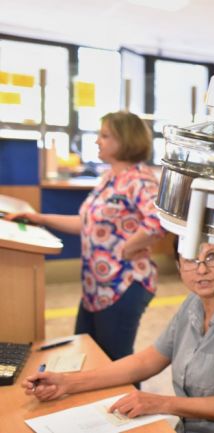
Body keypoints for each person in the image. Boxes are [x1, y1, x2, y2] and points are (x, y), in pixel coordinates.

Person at [22, 241, 214, 433]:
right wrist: (67, 383)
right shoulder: (192, 305)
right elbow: (146, 361)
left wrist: (161, 403)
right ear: (178, 266)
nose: (201, 269)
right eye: (190, 259)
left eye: (213, 257)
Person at [8, 112, 164, 361]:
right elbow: (86, 223)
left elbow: (159, 220)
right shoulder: (109, 177)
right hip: (96, 286)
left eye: (105, 135)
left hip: (122, 284)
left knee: (116, 363)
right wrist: (41, 218)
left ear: (125, 140)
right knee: (86, 355)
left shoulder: (140, 179)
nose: (97, 141)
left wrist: (128, 247)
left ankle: (127, 402)